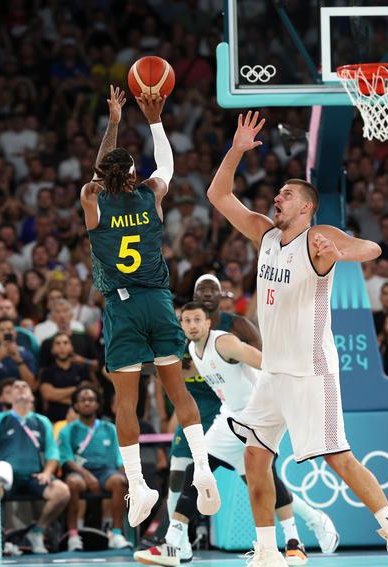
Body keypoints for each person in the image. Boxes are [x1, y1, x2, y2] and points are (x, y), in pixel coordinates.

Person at [206, 111, 388, 567]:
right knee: (254, 456)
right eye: (278, 194)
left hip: (311, 371)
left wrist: (342, 253)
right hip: (275, 373)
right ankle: (267, 552)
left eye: (286, 195)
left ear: (306, 207)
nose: (277, 198)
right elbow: (219, 195)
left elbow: (373, 249)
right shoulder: (265, 234)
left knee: (336, 456)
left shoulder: (318, 240)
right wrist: (238, 150)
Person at [79, 86, 218, 527]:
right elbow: (168, 165)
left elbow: (102, 170)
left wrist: (115, 122)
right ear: (134, 174)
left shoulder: (92, 199)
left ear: (104, 176)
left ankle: (138, 487)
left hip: (121, 308)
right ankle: (203, 467)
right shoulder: (151, 195)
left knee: (126, 402)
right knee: (179, 392)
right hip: (159, 302)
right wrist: (154, 120)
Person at [134, 302, 339, 567]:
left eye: (198, 319)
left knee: (242, 477)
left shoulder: (225, 343)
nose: (193, 325)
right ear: (181, 325)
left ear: (209, 322)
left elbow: (265, 362)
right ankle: (302, 532)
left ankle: (293, 539)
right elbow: (163, 368)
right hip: (230, 415)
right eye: (187, 321)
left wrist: (295, 393)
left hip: (258, 412)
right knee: (229, 476)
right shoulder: (192, 352)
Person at [166, 273, 262, 525]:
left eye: (213, 289)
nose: (207, 294)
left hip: (248, 410)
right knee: (185, 473)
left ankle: (301, 528)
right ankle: (175, 540)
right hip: (205, 410)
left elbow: (263, 360)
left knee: (259, 480)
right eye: (202, 290)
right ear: (194, 298)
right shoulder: (186, 340)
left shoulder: (232, 332)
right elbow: (169, 372)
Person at [0, 380, 70, 554]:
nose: (20, 388)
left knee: (62, 491)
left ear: (32, 397)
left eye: (24, 386)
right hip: (7, 478)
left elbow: (53, 454)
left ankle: (37, 532)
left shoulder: (42, 421)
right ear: (9, 397)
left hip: (34, 477)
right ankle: (0, 540)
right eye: (15, 387)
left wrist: (47, 472)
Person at [58, 385, 132, 551]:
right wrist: (87, 476)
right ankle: (73, 535)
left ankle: (116, 534)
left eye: (91, 400)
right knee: (72, 483)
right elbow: (67, 459)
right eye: (82, 400)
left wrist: (125, 475)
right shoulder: (68, 431)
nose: (87, 403)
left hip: (106, 472)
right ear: (75, 405)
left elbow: (119, 458)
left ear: (97, 404)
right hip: (80, 473)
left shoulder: (110, 429)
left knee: (120, 482)